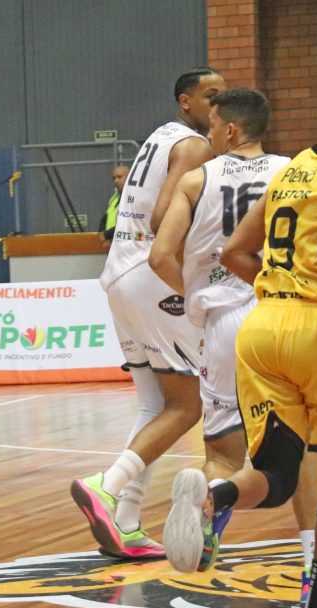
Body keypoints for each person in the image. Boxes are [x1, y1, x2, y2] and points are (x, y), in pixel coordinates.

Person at [161, 130, 317, 608]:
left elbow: (234, 250)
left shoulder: (298, 166)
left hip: (263, 326)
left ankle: (216, 496)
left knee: (277, 473)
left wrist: (284, 294)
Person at [69, 67, 225, 561]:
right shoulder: (195, 146)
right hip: (151, 277)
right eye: (210, 96)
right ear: (186, 101)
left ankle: (127, 520)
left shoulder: (160, 136)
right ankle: (107, 484)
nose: (218, 105)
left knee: (153, 404)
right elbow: (162, 219)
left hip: (119, 275)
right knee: (188, 405)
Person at [98, 165, 130, 249]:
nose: (116, 181)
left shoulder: (133, 199)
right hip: (112, 244)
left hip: (127, 245)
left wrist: (105, 235)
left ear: (130, 177)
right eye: (114, 178)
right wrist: (103, 237)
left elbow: (127, 224)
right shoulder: (114, 199)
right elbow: (104, 219)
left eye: (119, 177)